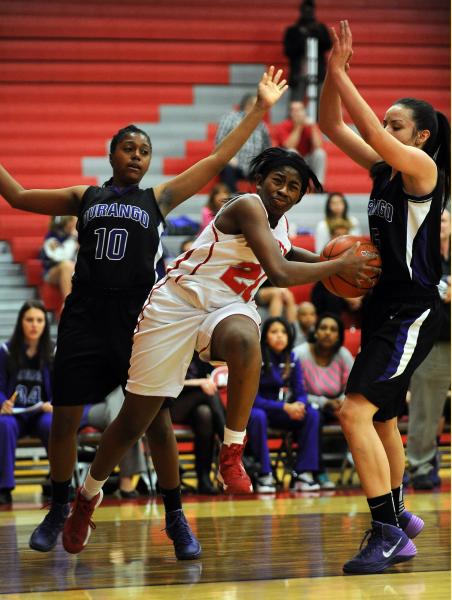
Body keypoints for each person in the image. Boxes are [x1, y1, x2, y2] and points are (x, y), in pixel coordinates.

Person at [0, 66, 288, 559]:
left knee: (152, 422)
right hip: (85, 316)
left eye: (145, 150)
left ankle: (176, 517)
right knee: (66, 418)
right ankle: (60, 505)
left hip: (141, 317)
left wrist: (259, 108)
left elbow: (219, 158)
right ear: (112, 154)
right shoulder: (82, 197)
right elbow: (18, 195)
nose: (137, 155)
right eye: (129, 148)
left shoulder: (160, 198)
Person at [62, 145, 379, 555]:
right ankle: (87, 496)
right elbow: (280, 272)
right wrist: (337, 267)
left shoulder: (280, 227)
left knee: (248, 341)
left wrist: (329, 260)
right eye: (277, 181)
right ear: (260, 182)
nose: (283, 190)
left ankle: (232, 451)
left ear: (301, 197)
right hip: (176, 306)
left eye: (293, 187)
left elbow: (286, 254)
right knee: (132, 421)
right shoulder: (247, 206)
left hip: (227, 309)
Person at [318, 20, 450, 574]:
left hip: (412, 308)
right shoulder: (382, 173)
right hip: (381, 305)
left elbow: (368, 130)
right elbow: (331, 123)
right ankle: (398, 513)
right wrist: (330, 76)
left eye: (397, 123)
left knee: (353, 412)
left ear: (419, 137)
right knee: (380, 421)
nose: (384, 128)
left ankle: (386, 529)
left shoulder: (423, 169)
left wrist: (346, 76)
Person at [247, 316, 321, 493]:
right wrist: (285, 407)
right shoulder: (256, 357)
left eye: (283, 332)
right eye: (274, 332)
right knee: (258, 416)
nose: (280, 336)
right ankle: (264, 474)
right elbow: (252, 399)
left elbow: (300, 392)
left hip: (283, 411)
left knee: (312, 414)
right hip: (260, 410)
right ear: (265, 336)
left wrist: (299, 405)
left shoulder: (292, 358)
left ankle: (304, 473)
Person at [406, 208, 451, 490]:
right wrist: (440, 292)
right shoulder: (419, 252)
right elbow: (409, 291)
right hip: (433, 339)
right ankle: (421, 463)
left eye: (445, 219)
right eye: (437, 220)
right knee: (425, 407)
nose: (441, 224)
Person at [0, 300, 54, 505]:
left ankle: (57, 481)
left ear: (45, 325)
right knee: (3, 425)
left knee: (52, 423)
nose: (34, 324)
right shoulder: (6, 352)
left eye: (39, 320)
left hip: (41, 413)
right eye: (29, 319)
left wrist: (53, 403)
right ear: (21, 322)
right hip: (14, 414)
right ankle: (4, 487)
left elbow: (62, 389)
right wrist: (3, 403)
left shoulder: (51, 353)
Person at [293, 312, 354, 489]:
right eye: (323, 328)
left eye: (333, 329)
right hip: (308, 406)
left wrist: (341, 400)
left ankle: (360, 458)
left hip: (338, 407)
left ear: (339, 335)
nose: (328, 332)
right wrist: (323, 402)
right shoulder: (300, 354)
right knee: (314, 415)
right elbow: (296, 392)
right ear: (316, 332)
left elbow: (352, 387)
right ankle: (319, 470)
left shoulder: (343, 355)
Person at [170, 352, 226, 495]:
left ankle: (204, 479)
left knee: (205, 415)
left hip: (195, 405)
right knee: (207, 395)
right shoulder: (170, 348)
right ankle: (230, 447)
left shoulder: (200, 353)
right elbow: (165, 382)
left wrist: (204, 382)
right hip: (169, 404)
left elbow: (210, 379)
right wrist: (198, 383)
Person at [83, 387, 147, 498]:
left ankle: (121, 481)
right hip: (89, 407)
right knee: (126, 414)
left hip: (115, 406)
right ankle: (126, 480)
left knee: (122, 400)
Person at [215, 93, 271, 192]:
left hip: (253, 167)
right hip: (233, 164)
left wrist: (262, 163)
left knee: (270, 170)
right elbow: (219, 141)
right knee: (226, 168)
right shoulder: (230, 118)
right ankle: (233, 199)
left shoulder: (262, 126)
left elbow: (267, 150)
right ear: (249, 105)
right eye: (259, 105)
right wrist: (228, 158)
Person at [283, 0, 332, 103]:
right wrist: (302, 38)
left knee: (321, 105)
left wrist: (316, 32)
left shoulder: (320, 28)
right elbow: (288, 51)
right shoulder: (293, 31)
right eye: (306, 11)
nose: (308, 13)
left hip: (318, 73)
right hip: (298, 74)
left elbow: (328, 44)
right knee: (296, 104)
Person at [272, 100, 327, 185]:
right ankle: (292, 182)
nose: (298, 113)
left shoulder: (310, 125)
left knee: (320, 153)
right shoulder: (283, 125)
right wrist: (298, 126)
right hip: (288, 162)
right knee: (292, 152)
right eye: (295, 110)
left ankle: (318, 185)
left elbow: (318, 146)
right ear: (290, 113)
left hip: (307, 160)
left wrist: (313, 127)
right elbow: (289, 145)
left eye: (300, 110)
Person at [40, 215, 79, 316]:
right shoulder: (52, 238)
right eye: (75, 221)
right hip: (52, 272)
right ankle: (67, 302)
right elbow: (61, 256)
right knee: (66, 265)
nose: (78, 224)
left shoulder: (78, 237)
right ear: (68, 223)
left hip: (73, 270)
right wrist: (73, 239)